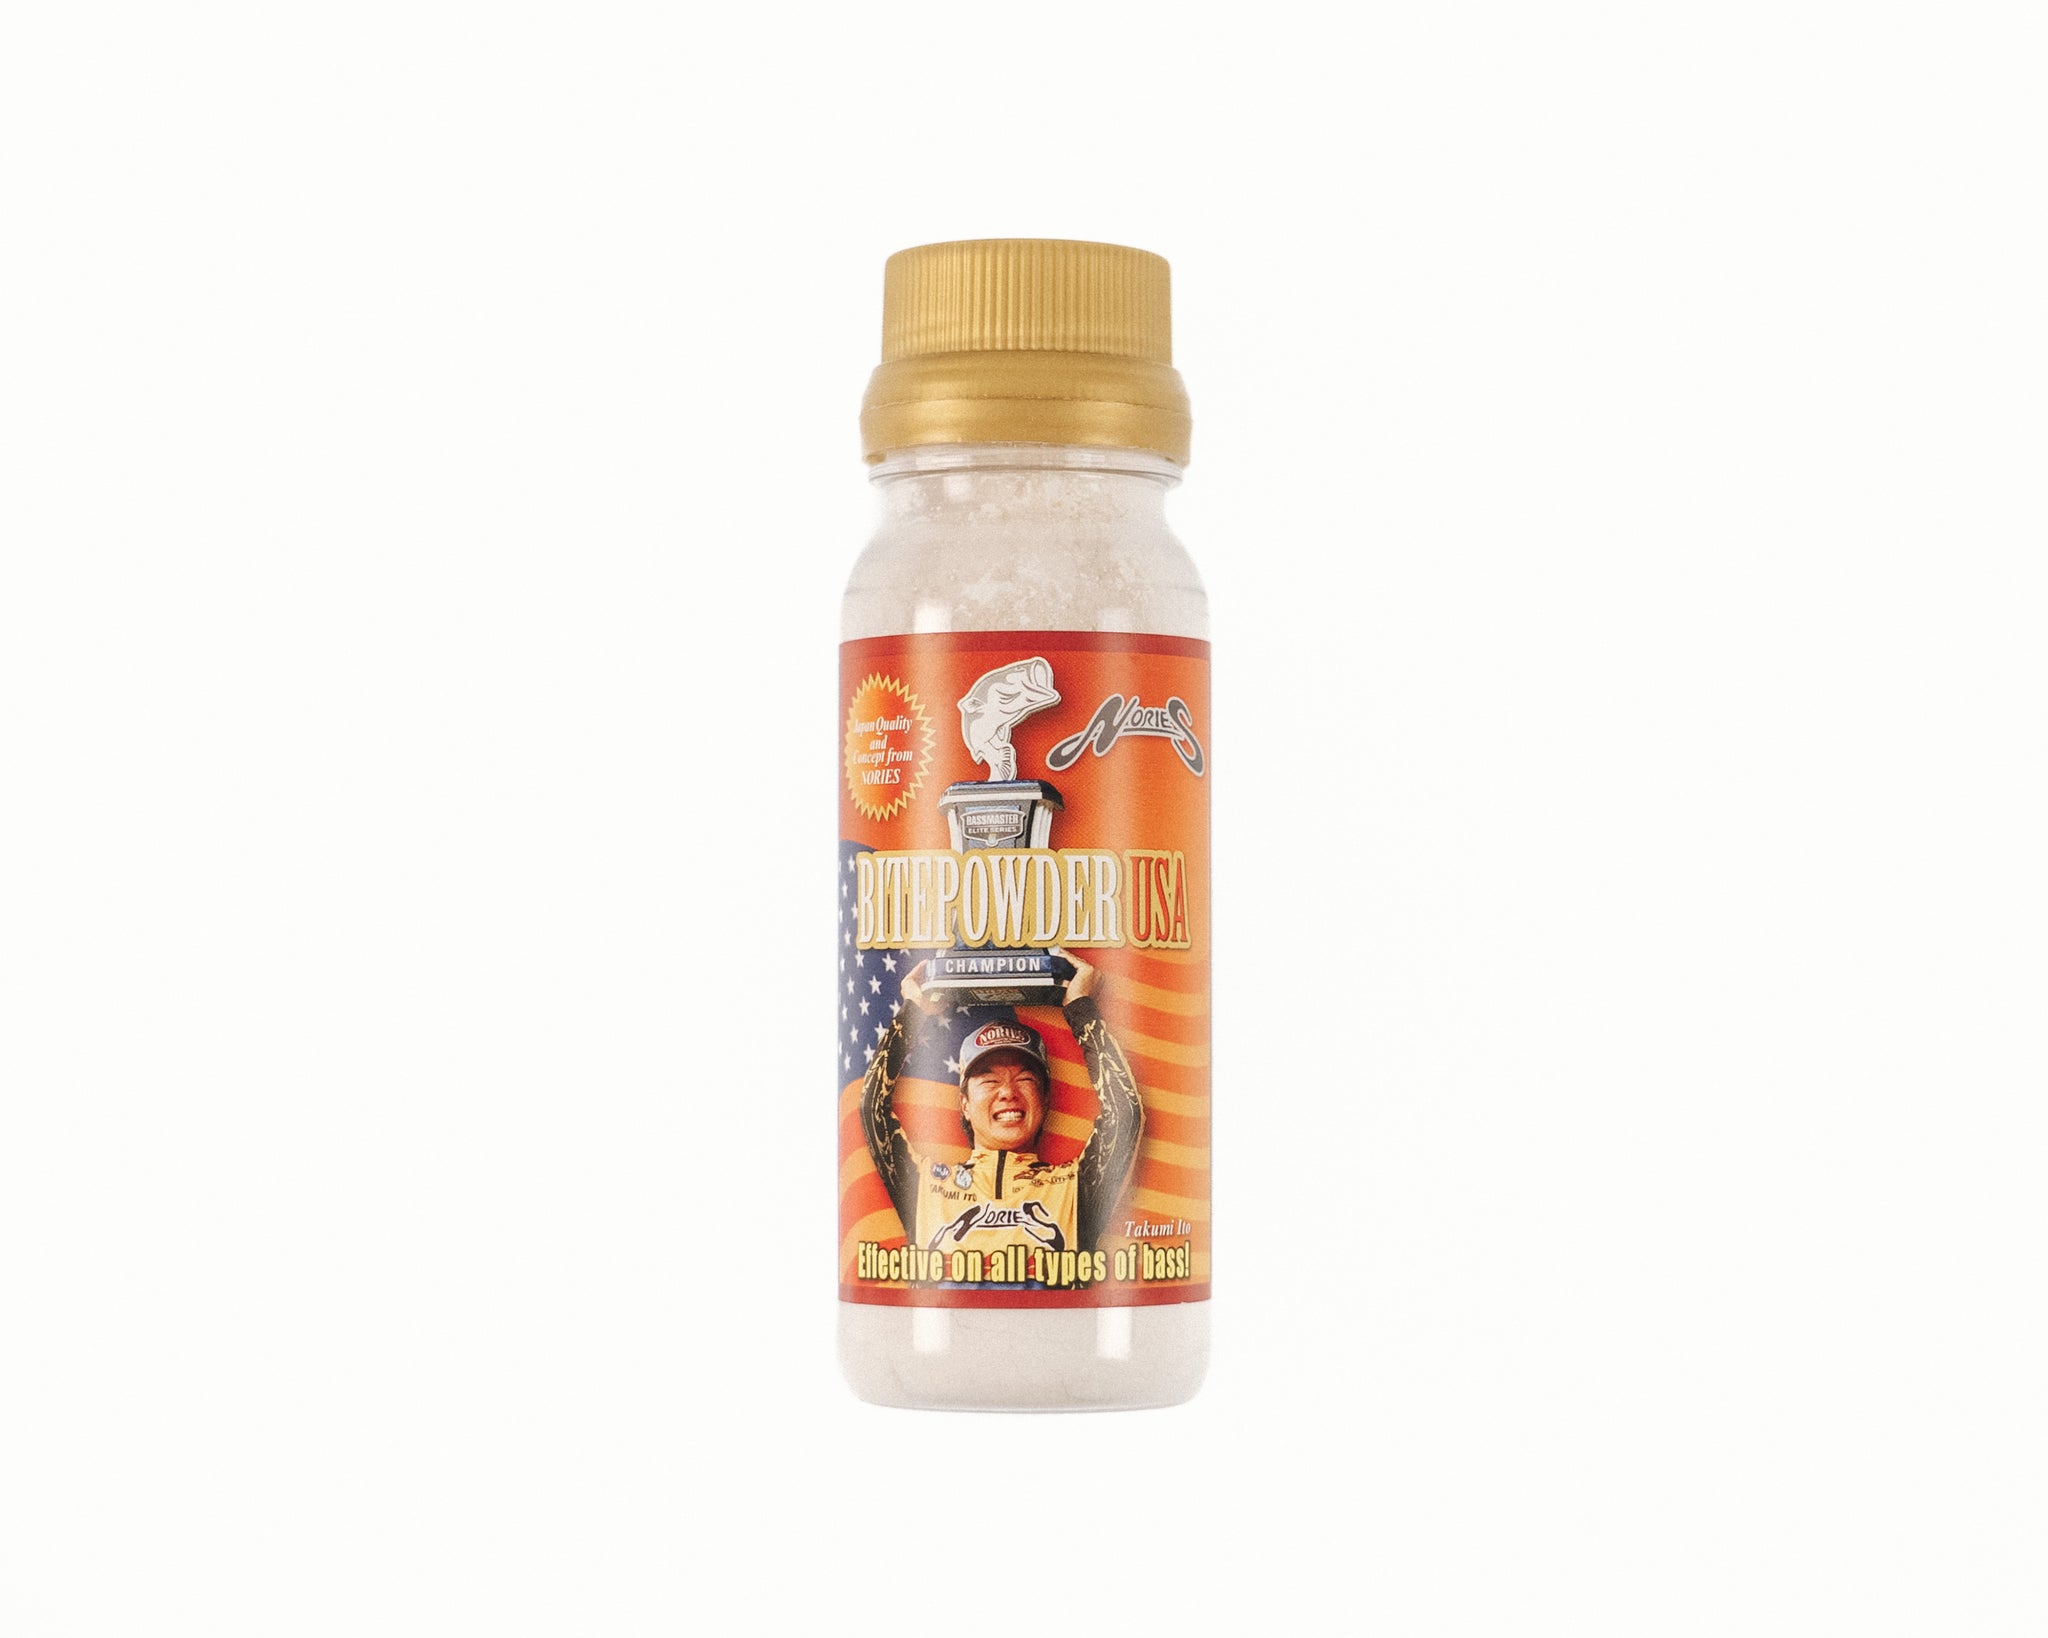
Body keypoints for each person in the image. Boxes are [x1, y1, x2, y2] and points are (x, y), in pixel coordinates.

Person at [858, 950, 1143, 1270]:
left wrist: (1080, 1007)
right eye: (989, 1080)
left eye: (1025, 1079)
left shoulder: (1074, 1190)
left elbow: (1124, 1111)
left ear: (1045, 1100)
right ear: (964, 1104)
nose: (1008, 1092)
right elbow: (872, 1107)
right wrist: (914, 1011)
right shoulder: (927, 1188)